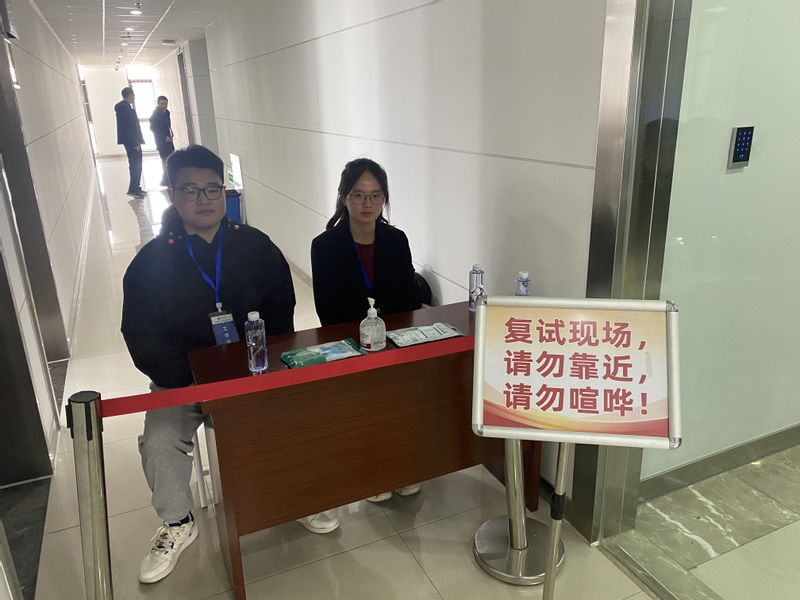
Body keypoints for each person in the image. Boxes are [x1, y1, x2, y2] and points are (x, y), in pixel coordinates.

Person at [121, 145, 340, 585]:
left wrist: (266, 359)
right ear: (172, 195)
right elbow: (140, 333)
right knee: (160, 442)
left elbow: (281, 307)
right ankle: (178, 521)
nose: (203, 199)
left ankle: (297, 496)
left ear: (225, 192)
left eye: (212, 189)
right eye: (190, 190)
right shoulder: (150, 262)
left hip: (253, 371)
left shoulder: (254, 245)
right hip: (183, 381)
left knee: (297, 418)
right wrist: (185, 378)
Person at [311, 157, 422, 502]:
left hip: (393, 341)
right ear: (344, 197)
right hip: (350, 344)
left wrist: (390, 340)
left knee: (400, 402)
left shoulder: (396, 240)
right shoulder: (324, 246)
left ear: (384, 199)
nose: (367, 204)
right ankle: (371, 471)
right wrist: (364, 341)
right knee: (364, 409)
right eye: (358, 195)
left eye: (375, 196)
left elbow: (409, 299)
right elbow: (328, 312)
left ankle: (402, 466)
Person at [115, 86, 146, 198]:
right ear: (130, 95)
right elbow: (129, 128)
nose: (134, 98)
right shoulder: (125, 109)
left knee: (135, 164)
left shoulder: (126, 107)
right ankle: (133, 189)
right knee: (136, 165)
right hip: (132, 142)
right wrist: (135, 143)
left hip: (131, 141)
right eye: (133, 95)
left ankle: (136, 187)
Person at [149, 95, 175, 186]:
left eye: (165, 104)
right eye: (162, 104)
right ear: (158, 104)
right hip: (161, 142)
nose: (164, 106)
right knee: (166, 160)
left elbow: (168, 125)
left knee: (169, 159)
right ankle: (167, 180)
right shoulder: (155, 115)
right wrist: (164, 137)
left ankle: (166, 179)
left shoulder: (167, 113)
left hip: (168, 140)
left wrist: (170, 134)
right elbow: (153, 129)